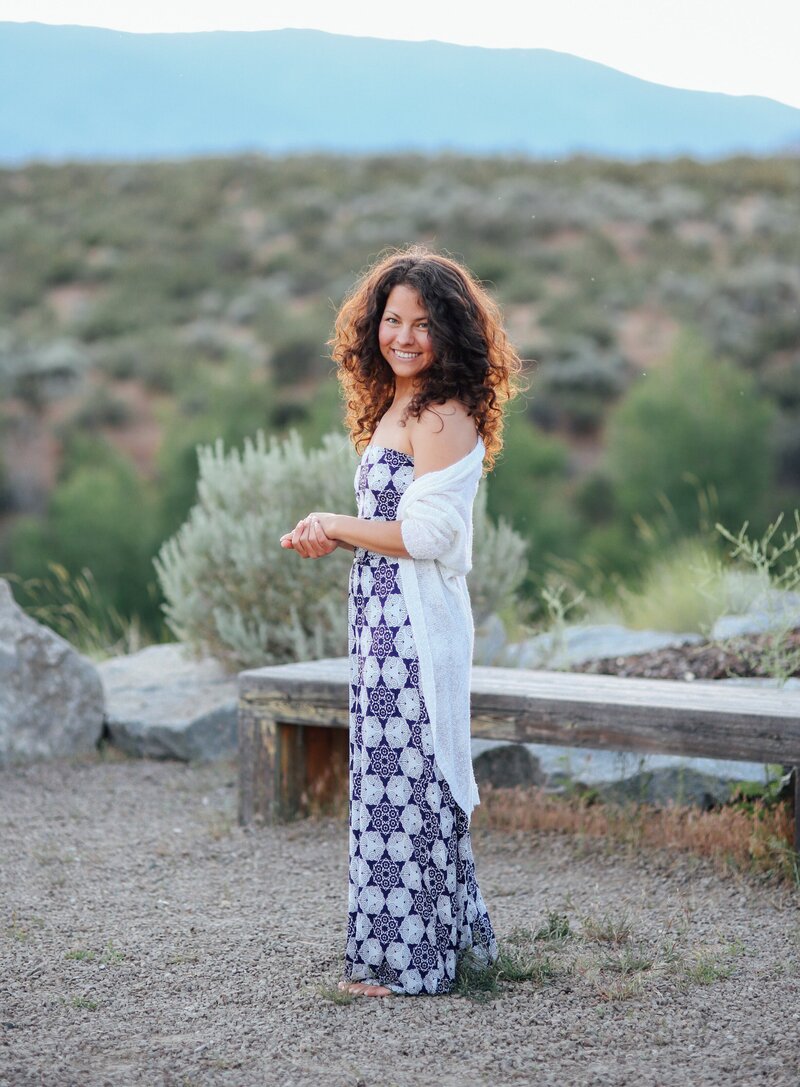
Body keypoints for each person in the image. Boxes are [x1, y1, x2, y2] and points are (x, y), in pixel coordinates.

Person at [280, 246, 523, 997]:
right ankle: (406, 953)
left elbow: (428, 537)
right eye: (392, 319)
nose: (405, 335)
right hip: (383, 624)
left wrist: (337, 522)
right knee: (387, 783)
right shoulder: (398, 403)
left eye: (423, 321)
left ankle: (410, 963)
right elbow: (391, 523)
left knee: (407, 787)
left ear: (451, 329)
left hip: (413, 633)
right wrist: (336, 532)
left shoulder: (441, 411)